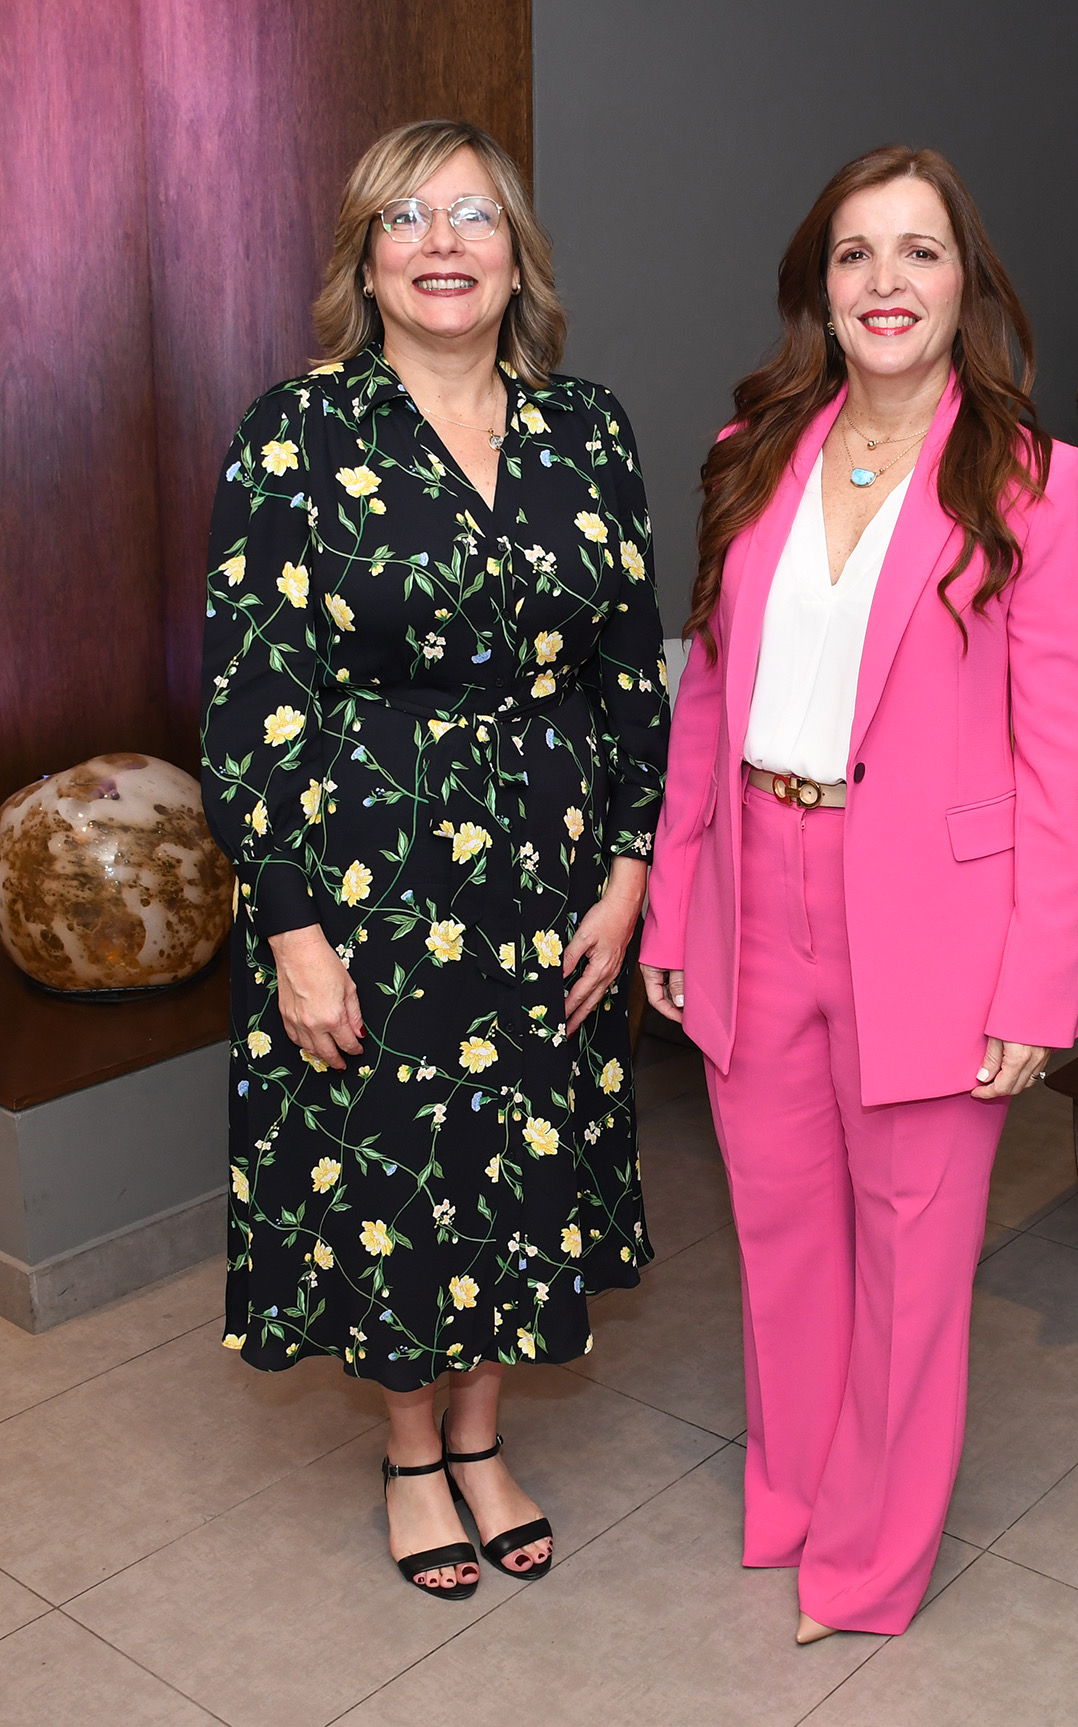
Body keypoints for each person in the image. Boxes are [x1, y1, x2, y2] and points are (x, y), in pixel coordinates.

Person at [201, 119, 667, 1600]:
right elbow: (251, 693)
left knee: (520, 1160)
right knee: (395, 1168)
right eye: (405, 217)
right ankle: (414, 1454)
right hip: (370, 879)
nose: (442, 242)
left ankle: (483, 1437)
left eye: (473, 214)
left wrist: (631, 868)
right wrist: (291, 930)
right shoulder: (298, 432)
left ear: (518, 255)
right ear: (366, 261)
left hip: (550, 873)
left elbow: (630, 664)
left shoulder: (588, 428)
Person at [641, 144, 1078, 1643]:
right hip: (755, 885)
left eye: (919, 251)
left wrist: (1037, 982)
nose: (886, 282)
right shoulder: (751, 450)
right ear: (819, 289)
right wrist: (675, 904)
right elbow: (705, 701)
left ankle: (868, 1562)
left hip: (935, 922)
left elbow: (1054, 757)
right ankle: (794, 1499)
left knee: (913, 1264)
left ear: (967, 283)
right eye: (855, 254)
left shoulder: (1034, 481)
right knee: (781, 1240)